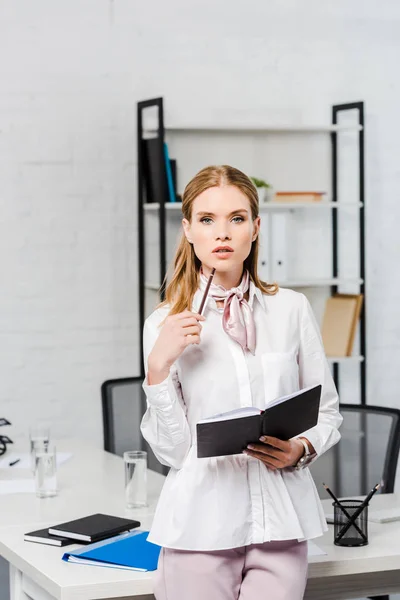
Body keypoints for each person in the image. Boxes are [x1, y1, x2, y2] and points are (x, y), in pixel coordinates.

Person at [140, 165, 342, 600]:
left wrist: (301, 449)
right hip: (201, 527)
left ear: (255, 227)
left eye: (236, 218)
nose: (222, 233)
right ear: (188, 229)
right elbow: (174, 452)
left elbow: (326, 410)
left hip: (282, 525)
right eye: (207, 220)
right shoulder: (163, 324)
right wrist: (158, 367)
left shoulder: (291, 309)